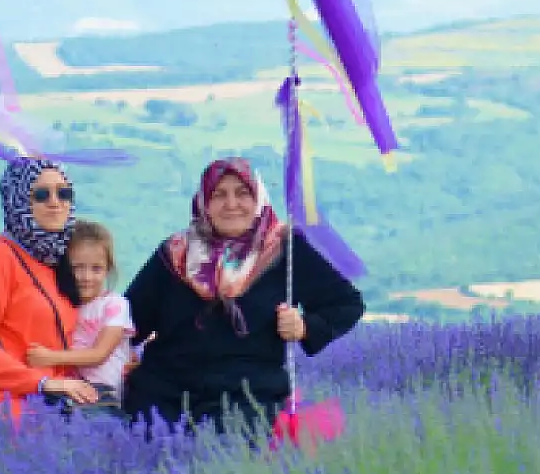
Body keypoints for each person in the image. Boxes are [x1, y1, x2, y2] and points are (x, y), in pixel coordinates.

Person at [121, 157, 366, 435]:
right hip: (165, 392)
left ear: (258, 198)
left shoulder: (284, 250)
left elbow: (347, 303)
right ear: (204, 203)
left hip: (248, 395)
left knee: (226, 456)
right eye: (219, 194)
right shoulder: (175, 254)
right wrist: (115, 355)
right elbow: (127, 319)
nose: (231, 204)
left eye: (242, 193)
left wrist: (305, 326)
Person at [0, 156, 102, 418]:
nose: (55, 202)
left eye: (64, 193)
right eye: (41, 194)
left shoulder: (58, 260)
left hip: (44, 411)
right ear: (18, 201)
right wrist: (41, 383)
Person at [25, 219, 134, 413]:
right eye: (78, 267)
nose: (86, 277)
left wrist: (50, 358)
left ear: (108, 269)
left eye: (96, 268)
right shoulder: (64, 304)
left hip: (102, 394)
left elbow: (99, 355)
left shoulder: (115, 305)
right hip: (69, 388)